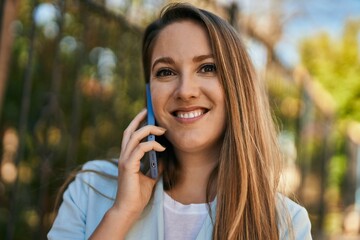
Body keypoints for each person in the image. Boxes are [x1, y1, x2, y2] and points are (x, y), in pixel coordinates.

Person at [48, 3, 312, 240]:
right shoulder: (92, 188)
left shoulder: (287, 224)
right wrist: (121, 215)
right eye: (166, 72)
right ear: (149, 93)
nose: (185, 91)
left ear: (237, 86)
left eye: (207, 68)